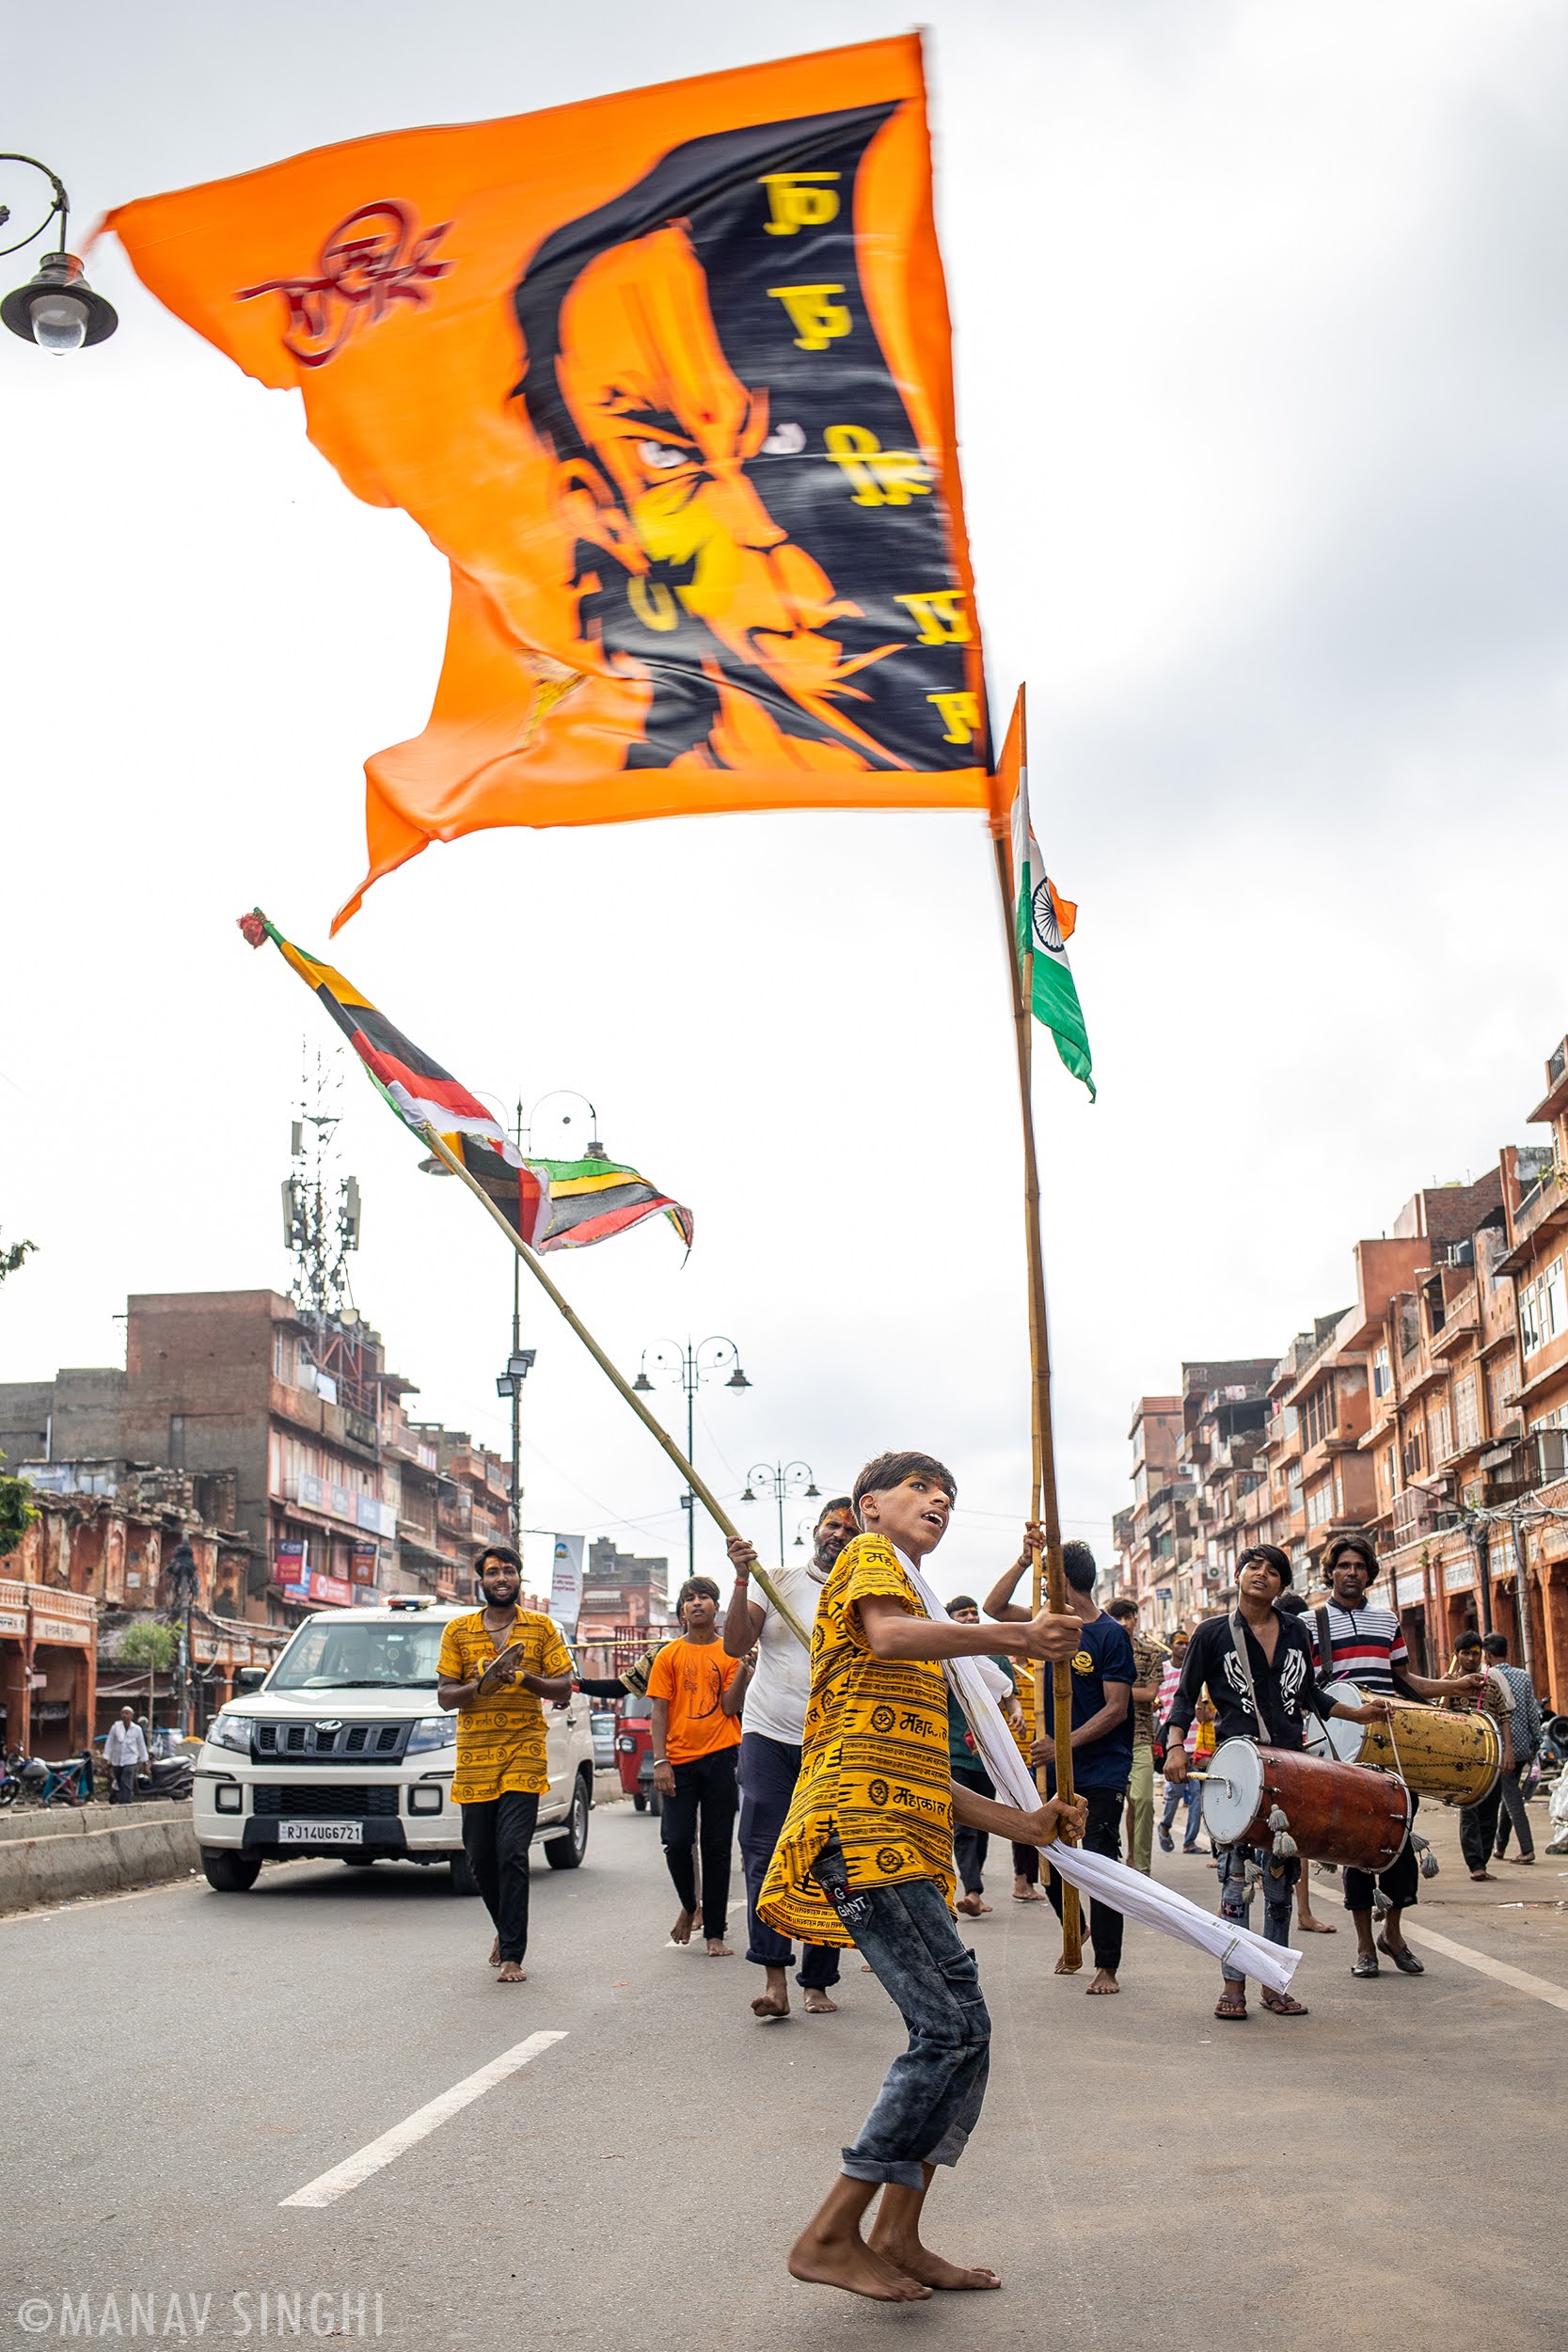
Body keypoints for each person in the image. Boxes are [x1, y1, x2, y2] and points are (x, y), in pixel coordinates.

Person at [759, 1452, 1085, 2303]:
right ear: (869, 1507)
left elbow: (914, 1772)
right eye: (918, 1490)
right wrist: (1015, 1633)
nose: (938, 1500)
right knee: (944, 2031)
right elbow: (889, 1634)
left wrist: (1023, 1823)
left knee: (965, 2030)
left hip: (901, 1838)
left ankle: (897, 2232)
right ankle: (831, 2232)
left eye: (948, 1494)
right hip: (860, 1840)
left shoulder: (912, 1619)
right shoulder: (875, 1565)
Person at [1164, 1543, 1389, 2021]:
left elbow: (1309, 1694)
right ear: (1240, 1576)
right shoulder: (1210, 1634)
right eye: (1253, 1567)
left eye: (1272, 1571)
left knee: (1281, 1881)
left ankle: (1274, 1983)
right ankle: (1234, 1986)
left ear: (1282, 1585)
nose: (1261, 1575)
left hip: (1290, 1770)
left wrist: (1357, 1712)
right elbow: (1184, 1698)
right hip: (1236, 1771)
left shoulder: (1294, 1630)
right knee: (1234, 1882)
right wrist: (1176, 1746)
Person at [1307, 1533, 1480, 1974]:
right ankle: (1365, 1946)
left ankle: (1394, 1934)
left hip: (1393, 1746)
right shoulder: (1312, 1624)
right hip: (1343, 1750)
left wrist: (1454, 1687)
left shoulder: (1387, 1621)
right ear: (1331, 1571)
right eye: (1343, 1565)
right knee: (1356, 1844)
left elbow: (1406, 1683)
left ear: (1369, 1573)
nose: (1351, 1573)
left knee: (1400, 1838)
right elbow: (1305, 1689)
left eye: (1359, 1566)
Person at [722, 1498, 856, 2019]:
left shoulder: (864, 1592)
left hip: (832, 1742)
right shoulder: (774, 1580)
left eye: (849, 1528)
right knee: (763, 1854)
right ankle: (774, 1979)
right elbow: (736, 1644)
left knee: (829, 1858)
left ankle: (817, 1981)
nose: (838, 1534)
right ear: (816, 1531)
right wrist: (739, 1578)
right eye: (831, 1525)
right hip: (767, 1736)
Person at [984, 1538, 1133, 1994]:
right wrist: (1023, 1559)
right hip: (1050, 1770)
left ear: (1065, 1581)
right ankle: (1076, 1927)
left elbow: (1116, 1709)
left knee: (1102, 1863)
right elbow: (993, 1607)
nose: (1042, 1584)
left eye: (1047, 1576)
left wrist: (1062, 1744)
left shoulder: (1110, 1635)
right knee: (1045, 1852)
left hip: (1101, 1769)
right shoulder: (1046, 1624)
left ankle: (1107, 1965)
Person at [436, 1544, 575, 1983]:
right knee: (479, 1856)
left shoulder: (541, 1628)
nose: (502, 1578)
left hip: (524, 1750)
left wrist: (522, 1678)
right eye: (493, 1572)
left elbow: (563, 1688)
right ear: (480, 1579)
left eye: (509, 1571)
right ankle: (503, 1927)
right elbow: (444, 1697)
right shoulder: (458, 1631)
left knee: (512, 1851)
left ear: (519, 1578)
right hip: (475, 1756)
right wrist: (481, 1684)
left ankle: (513, 1952)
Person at [649, 1576, 752, 1956]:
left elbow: (729, 1707)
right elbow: (658, 1711)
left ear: (715, 1607)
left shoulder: (729, 1652)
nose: (697, 1603)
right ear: (681, 1611)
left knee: (716, 1846)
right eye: (690, 1599)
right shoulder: (669, 1655)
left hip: (722, 1756)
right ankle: (691, 1906)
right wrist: (661, 1761)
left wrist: (744, 1668)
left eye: (705, 1597)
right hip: (677, 1762)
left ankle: (716, 1933)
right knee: (676, 1841)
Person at [942, 1597, 1020, 1919]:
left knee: (984, 1820)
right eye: (964, 1614)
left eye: (975, 1613)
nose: (972, 1617)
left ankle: (974, 1888)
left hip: (986, 1754)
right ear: (949, 1621)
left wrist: (1017, 1714)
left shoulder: (996, 1659)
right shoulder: (943, 1654)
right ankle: (972, 1890)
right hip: (954, 1751)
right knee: (965, 1826)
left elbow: (1009, 1696)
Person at [1445, 1629, 1516, 1881]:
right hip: (1464, 1760)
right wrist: (1447, 1688)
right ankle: (1475, 1864)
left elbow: (1504, 1718)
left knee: (1490, 1811)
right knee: (1469, 1812)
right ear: (1458, 1655)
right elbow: (1441, 1717)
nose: (1471, 1659)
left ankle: (1483, 1860)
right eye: (1465, 1654)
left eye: (1475, 1654)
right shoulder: (1449, 1684)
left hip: (1492, 1755)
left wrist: (1509, 1751)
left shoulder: (1492, 1684)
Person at [1107, 1597, 1166, 1876]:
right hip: (1106, 1737)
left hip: (1141, 1735)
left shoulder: (1150, 1653)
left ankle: (1141, 1868)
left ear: (1135, 1619)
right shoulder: (1102, 1649)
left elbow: (1150, 1694)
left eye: (1127, 1617)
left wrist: (1114, 1693)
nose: (1123, 1623)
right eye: (1117, 1618)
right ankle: (1112, 1861)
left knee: (1142, 1800)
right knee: (1113, 1803)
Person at [1487, 1633, 1544, 1865]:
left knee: (1512, 1800)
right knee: (1509, 1796)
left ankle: (1527, 1849)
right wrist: (1537, 1741)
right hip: (1523, 1746)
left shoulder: (1487, 1677)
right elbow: (1532, 1711)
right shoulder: (1522, 1675)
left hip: (1502, 1747)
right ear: (1507, 1652)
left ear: (1487, 1655)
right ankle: (1499, 1847)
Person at [103, 1707, 149, 1804]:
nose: (125, 1715)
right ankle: (122, 1798)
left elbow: (141, 1745)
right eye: (123, 1713)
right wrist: (106, 1757)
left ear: (132, 1716)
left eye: (127, 1713)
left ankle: (125, 1802)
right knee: (119, 1780)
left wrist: (144, 1759)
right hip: (117, 1760)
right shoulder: (115, 1727)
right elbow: (110, 1742)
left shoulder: (137, 1729)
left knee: (126, 1780)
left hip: (131, 1760)